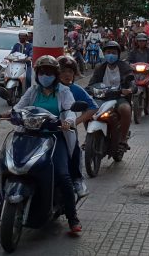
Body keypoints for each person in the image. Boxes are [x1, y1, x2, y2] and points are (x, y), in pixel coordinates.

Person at [0, 56, 82, 234]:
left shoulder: (64, 91)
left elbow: (68, 110)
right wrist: (10, 113)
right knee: (6, 164)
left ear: (55, 75)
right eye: (42, 72)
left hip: (54, 137)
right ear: (37, 74)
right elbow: (19, 107)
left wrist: (68, 121)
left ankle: (73, 217)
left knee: (63, 175)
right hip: (27, 135)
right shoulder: (33, 91)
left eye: (49, 73)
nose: (45, 76)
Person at [57, 55, 95, 198]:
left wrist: (74, 122)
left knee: (74, 152)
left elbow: (92, 107)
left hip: (67, 132)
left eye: (70, 71)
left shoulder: (75, 90)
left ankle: (77, 180)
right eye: (63, 71)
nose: (67, 74)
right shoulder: (42, 90)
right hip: (45, 130)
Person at [89, 41, 134, 156]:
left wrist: (129, 89)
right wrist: (87, 90)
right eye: (108, 52)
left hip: (119, 98)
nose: (111, 55)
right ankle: (88, 137)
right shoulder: (100, 67)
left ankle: (123, 139)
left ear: (118, 54)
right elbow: (91, 83)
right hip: (101, 98)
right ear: (104, 54)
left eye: (113, 53)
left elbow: (132, 83)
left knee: (126, 109)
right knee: (87, 111)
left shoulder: (125, 67)